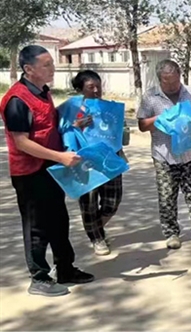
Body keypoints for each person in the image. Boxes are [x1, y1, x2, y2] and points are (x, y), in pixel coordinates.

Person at [0, 45, 94, 297]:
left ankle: (65, 268)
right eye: (46, 65)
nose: (53, 68)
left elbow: (46, 126)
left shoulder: (43, 91)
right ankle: (39, 277)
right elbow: (21, 142)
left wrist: (74, 125)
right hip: (29, 172)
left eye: (52, 63)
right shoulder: (17, 100)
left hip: (49, 168)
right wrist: (60, 157)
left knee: (58, 220)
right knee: (36, 227)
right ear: (28, 69)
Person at [137, 59, 191, 249]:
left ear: (180, 75)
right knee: (167, 197)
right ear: (160, 79)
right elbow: (142, 125)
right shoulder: (150, 97)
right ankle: (171, 233)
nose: (172, 86)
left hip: (188, 153)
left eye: (175, 81)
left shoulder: (190, 94)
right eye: (167, 82)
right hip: (164, 155)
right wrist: (160, 118)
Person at [59, 70, 127, 256]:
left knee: (113, 201)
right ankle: (97, 238)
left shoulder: (109, 108)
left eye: (99, 86)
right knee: (89, 202)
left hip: (109, 159)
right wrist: (76, 126)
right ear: (80, 89)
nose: (96, 90)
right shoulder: (70, 108)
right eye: (91, 87)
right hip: (84, 161)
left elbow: (120, 135)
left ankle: (96, 228)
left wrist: (121, 129)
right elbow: (59, 132)